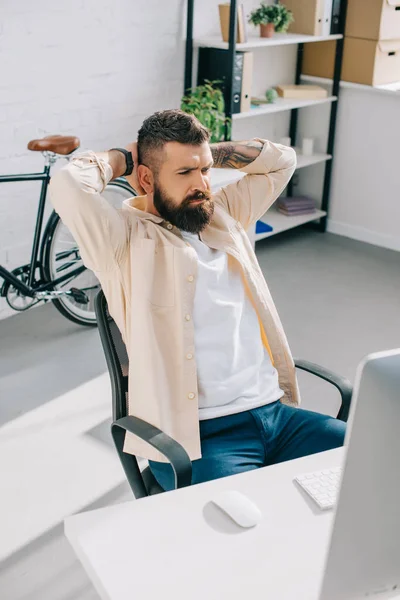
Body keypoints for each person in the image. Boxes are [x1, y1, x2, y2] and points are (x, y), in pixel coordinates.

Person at [50, 109, 345, 492]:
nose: (202, 183)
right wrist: (128, 157)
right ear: (145, 179)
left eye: (204, 170)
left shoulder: (223, 214)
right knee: (238, 536)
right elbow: (68, 183)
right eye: (185, 173)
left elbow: (281, 161)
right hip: (201, 440)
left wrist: (207, 155)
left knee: (372, 459)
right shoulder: (121, 242)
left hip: (276, 415)